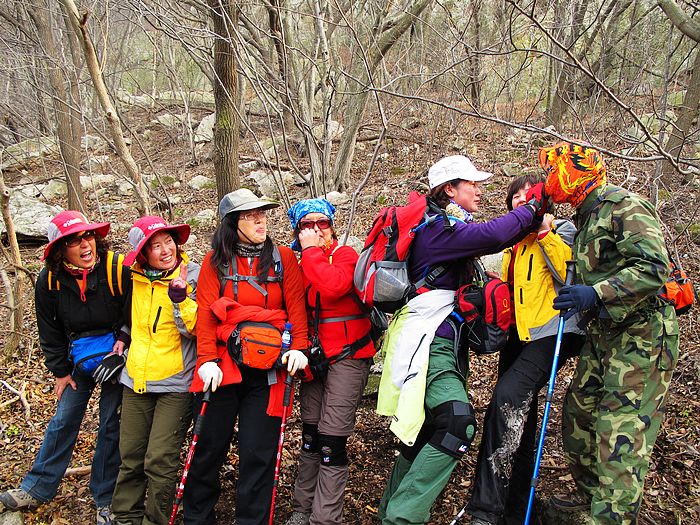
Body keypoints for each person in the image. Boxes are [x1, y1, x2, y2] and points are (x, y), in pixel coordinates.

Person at [376, 155, 549, 525]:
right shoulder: (439, 230)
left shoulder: (446, 230)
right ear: (450, 189)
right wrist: (533, 206)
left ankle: (389, 514)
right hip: (429, 343)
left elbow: (496, 237)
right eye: (472, 184)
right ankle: (400, 518)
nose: (480, 190)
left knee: (426, 430)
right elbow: (492, 235)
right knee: (457, 422)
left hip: (438, 342)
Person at [539, 142, 679, 525]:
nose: (550, 180)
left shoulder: (622, 206)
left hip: (643, 335)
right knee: (579, 415)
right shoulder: (585, 213)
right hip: (605, 333)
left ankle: (610, 517)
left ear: (575, 172)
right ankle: (591, 499)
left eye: (556, 171)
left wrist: (596, 292)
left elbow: (653, 268)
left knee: (619, 432)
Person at [183, 188, 310, 525]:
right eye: (250, 215)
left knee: (258, 454)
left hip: (269, 372)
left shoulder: (283, 258)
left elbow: (296, 308)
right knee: (208, 449)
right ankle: (198, 518)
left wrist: (299, 346)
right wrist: (207, 359)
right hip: (223, 368)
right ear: (231, 223)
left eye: (263, 214)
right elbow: (209, 314)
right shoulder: (215, 262)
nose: (260, 220)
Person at [465, 175, 586, 525]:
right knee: (521, 415)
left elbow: (569, 274)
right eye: (513, 196)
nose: (520, 200)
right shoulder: (514, 245)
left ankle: (485, 511)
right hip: (519, 335)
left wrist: (546, 233)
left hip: (552, 332)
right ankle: (515, 510)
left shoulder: (562, 230)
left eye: (526, 194)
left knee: (507, 397)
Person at [0, 211, 131, 525]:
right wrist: (60, 371)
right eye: (74, 241)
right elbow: (50, 331)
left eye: (88, 236)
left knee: (110, 424)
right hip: (78, 358)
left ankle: (105, 498)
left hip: (116, 356)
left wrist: (124, 344)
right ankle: (37, 487)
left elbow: (135, 312)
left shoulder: (117, 269)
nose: (85, 245)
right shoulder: (49, 282)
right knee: (64, 419)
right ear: (60, 250)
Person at [284, 198, 377, 525]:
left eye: (321, 223)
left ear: (332, 225)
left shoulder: (346, 255)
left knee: (331, 440)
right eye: (307, 225)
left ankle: (324, 519)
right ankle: (301, 508)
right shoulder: (297, 266)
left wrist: (310, 251)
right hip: (314, 360)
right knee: (310, 436)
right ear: (297, 231)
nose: (315, 230)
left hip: (348, 357)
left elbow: (334, 286)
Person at [110, 216, 199, 525]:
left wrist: (180, 298)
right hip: (135, 378)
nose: (165, 251)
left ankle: (155, 520)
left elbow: (196, 329)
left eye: (168, 242)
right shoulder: (131, 279)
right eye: (155, 246)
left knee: (160, 460)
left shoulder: (193, 275)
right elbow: (129, 316)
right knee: (130, 456)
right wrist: (123, 334)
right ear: (143, 254)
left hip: (175, 382)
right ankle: (124, 517)